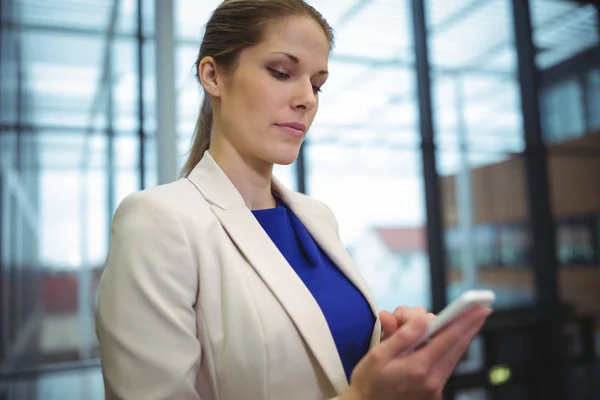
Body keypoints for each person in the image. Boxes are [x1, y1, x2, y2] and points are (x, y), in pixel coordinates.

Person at [95, 1, 491, 399]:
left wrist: (389, 359)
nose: (308, 99)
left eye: (317, 84)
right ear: (212, 75)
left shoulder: (318, 219)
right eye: (282, 72)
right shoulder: (158, 221)